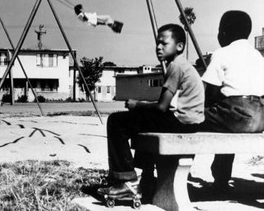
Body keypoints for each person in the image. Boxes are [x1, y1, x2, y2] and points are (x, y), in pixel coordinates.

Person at [95, 23, 204, 200]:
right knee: (142, 122)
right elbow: (165, 105)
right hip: (188, 122)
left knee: (117, 122)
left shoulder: (175, 66)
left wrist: (137, 104)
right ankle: (144, 178)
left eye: (164, 43)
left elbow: (161, 106)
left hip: (181, 122)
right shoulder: (184, 65)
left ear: (179, 46)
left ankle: (125, 181)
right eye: (157, 43)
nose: (158, 47)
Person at [200, 10, 264, 190]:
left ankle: (172, 170)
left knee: (191, 119)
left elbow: (208, 93)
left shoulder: (222, 53)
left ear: (224, 32)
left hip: (237, 113)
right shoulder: (258, 56)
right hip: (260, 117)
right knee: (226, 123)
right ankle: (221, 176)